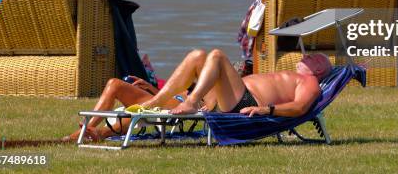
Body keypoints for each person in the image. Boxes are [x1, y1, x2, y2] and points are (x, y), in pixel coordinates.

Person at [141, 49, 332, 118]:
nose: (307, 55)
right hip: (229, 98)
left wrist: (267, 110)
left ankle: (191, 102)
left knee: (217, 56)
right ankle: (156, 101)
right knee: (197, 56)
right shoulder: (293, 76)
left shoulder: (310, 82)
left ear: (318, 70)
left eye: (313, 58)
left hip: (247, 103)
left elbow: (299, 108)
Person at [62, 76, 216, 142]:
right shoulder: (185, 88)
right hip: (158, 102)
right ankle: (96, 132)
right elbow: (164, 98)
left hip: (167, 108)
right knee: (115, 86)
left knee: (116, 85)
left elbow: (216, 103)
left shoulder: (209, 89)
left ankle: (84, 133)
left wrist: (209, 103)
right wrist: (150, 87)